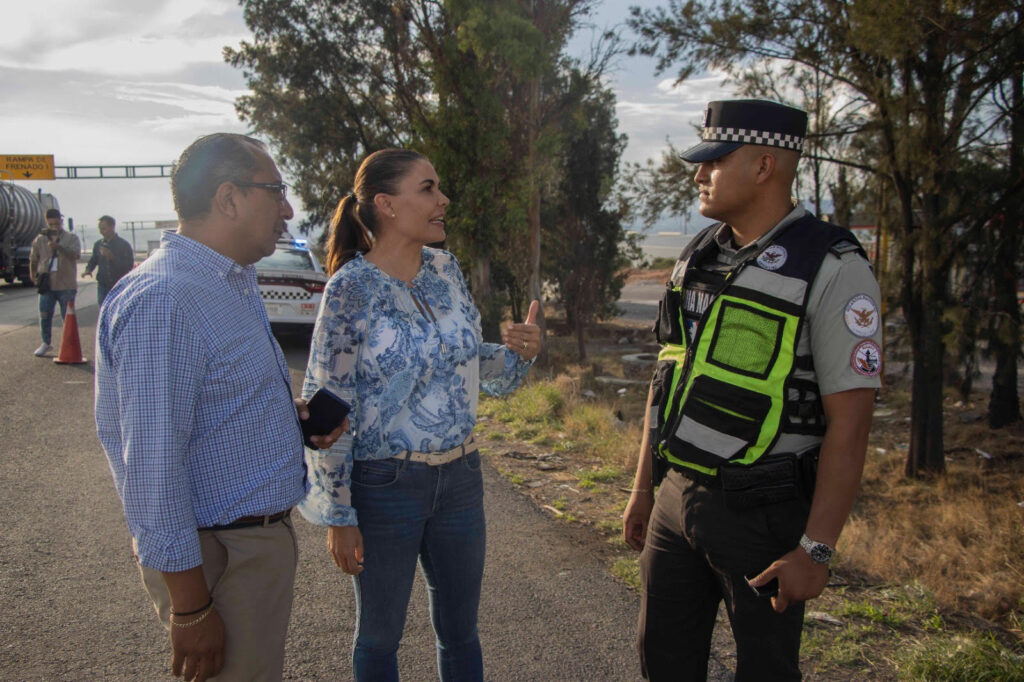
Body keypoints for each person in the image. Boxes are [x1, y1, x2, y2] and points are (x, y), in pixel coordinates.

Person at [622, 99, 882, 681]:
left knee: (764, 670)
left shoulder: (833, 267)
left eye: (715, 161)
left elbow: (852, 420)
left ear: (764, 166)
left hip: (763, 514)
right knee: (661, 659)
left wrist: (816, 549)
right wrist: (645, 487)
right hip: (676, 498)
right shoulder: (697, 256)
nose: (699, 174)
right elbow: (665, 379)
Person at [95, 133, 346, 682]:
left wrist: (285, 418)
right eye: (275, 191)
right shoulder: (168, 298)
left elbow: (210, 405)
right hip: (219, 558)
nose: (288, 208)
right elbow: (154, 469)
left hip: (243, 548)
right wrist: (190, 608)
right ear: (229, 198)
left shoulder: (225, 281)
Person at [298, 148, 542, 682]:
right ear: (386, 204)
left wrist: (519, 351)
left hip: (461, 477)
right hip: (385, 483)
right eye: (428, 188)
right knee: (380, 639)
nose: (443, 200)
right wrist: (339, 514)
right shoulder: (349, 289)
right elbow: (327, 405)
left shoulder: (445, 268)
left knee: (461, 634)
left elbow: (471, 364)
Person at [28, 208, 81, 356]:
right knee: (44, 314)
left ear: (61, 222)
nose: (54, 227)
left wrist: (59, 247)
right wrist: (33, 274)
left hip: (66, 284)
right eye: (51, 224)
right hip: (47, 283)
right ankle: (46, 342)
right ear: (46, 223)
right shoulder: (40, 239)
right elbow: (33, 258)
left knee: (68, 317)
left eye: (57, 224)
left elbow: (76, 255)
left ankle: (69, 345)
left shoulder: (71, 238)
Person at [83, 214, 134, 307]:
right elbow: (94, 259)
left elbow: (129, 266)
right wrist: (88, 269)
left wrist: (112, 258)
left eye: (104, 228)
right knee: (103, 310)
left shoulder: (123, 245)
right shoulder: (98, 244)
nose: (101, 232)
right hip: (103, 285)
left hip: (119, 284)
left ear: (112, 227)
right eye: (100, 229)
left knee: (119, 309)